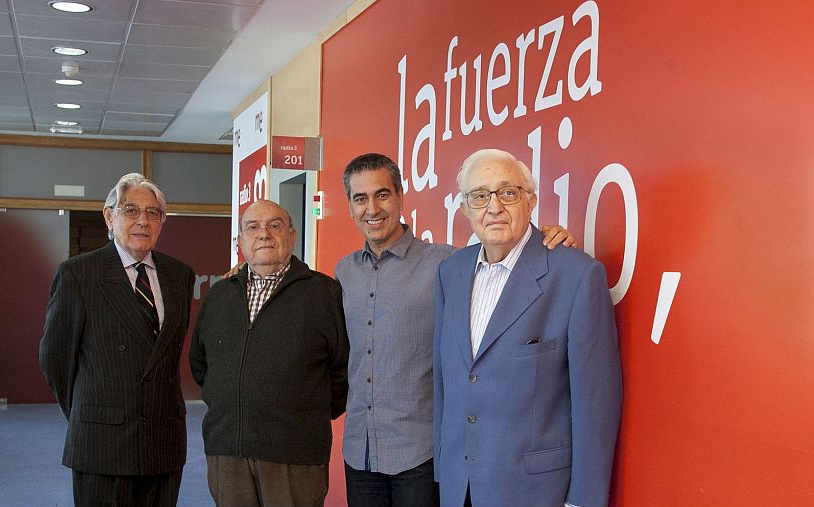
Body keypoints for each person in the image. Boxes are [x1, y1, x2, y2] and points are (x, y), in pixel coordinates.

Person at [336, 153, 576, 507]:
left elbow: (507, 261)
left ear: (400, 196)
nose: (372, 208)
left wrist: (552, 241)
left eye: (382, 195)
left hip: (420, 455)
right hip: (361, 450)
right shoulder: (344, 272)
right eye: (360, 198)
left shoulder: (448, 264)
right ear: (350, 206)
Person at [433, 149, 623, 507]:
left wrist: (584, 500)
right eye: (479, 196)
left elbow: (596, 402)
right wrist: (445, 473)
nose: (494, 207)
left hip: (536, 492)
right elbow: (446, 381)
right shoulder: (450, 273)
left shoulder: (576, 275)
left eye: (508, 192)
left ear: (531, 200)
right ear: (464, 209)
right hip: (461, 488)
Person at [39, 173, 195, 507]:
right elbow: (56, 359)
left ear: (162, 222)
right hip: (102, 442)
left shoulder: (179, 275)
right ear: (110, 216)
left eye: (153, 213)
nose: (143, 221)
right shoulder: (78, 274)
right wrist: (91, 411)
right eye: (131, 210)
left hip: (163, 439)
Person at [189, 199, 349, 507]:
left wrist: (303, 413)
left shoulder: (324, 293)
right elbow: (200, 362)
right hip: (227, 451)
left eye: (275, 225)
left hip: (294, 455)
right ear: (240, 241)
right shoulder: (220, 295)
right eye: (253, 227)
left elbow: (343, 369)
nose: (264, 234)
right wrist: (230, 403)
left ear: (292, 236)